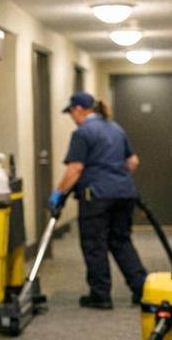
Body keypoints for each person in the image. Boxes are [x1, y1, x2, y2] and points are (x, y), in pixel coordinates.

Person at [48, 91, 147, 309]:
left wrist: (58, 194)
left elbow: (75, 169)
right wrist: (114, 175)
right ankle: (141, 289)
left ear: (79, 110)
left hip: (96, 196)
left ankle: (100, 295)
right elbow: (133, 162)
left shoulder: (83, 133)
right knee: (121, 241)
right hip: (124, 194)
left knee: (94, 244)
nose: (72, 118)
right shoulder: (115, 128)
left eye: (71, 113)